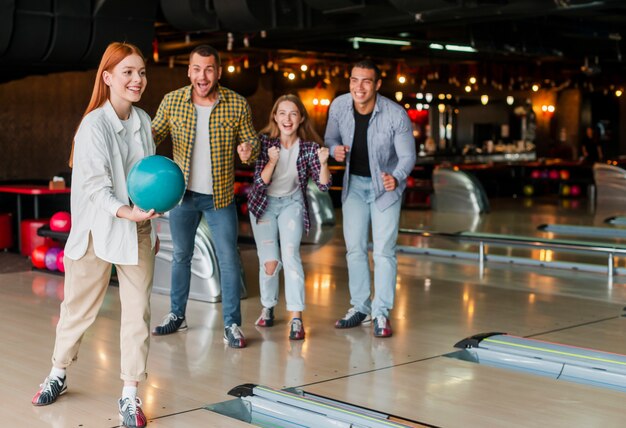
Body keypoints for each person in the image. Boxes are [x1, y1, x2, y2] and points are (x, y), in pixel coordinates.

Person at [31, 42, 159, 428]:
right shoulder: (94, 125)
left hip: (136, 228)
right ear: (107, 78)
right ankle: (58, 372)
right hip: (96, 229)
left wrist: (149, 220)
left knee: (138, 313)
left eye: (141, 72)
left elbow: (149, 181)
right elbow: (96, 189)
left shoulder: (144, 123)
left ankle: (130, 395)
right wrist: (126, 211)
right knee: (77, 311)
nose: (137, 80)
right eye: (128, 73)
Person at [151, 44, 259, 348]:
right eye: (197, 69)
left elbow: (252, 143)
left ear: (219, 72)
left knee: (228, 259)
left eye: (209, 69)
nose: (202, 75)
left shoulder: (237, 105)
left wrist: (249, 151)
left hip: (220, 197)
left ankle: (232, 325)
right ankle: (176, 315)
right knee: (181, 257)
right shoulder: (172, 102)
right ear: (189, 71)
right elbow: (151, 135)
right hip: (181, 196)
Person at [325, 59, 416, 338]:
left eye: (366, 81)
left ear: (377, 85)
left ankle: (381, 313)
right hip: (353, 186)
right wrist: (334, 150)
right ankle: (360, 307)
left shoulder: (395, 114)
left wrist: (397, 177)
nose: (359, 87)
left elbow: (408, 156)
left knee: (383, 251)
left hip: (384, 189)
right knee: (354, 249)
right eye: (354, 80)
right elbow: (329, 139)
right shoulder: (339, 106)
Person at [248, 94, 331, 340]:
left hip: (292, 204)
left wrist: (324, 163)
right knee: (270, 263)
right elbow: (260, 182)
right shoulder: (263, 142)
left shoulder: (309, 148)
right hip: (264, 204)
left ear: (301, 118)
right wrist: (272, 161)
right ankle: (268, 306)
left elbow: (324, 185)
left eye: (293, 113)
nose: (288, 118)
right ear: (275, 116)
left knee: (291, 256)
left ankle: (296, 319)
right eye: (282, 113)